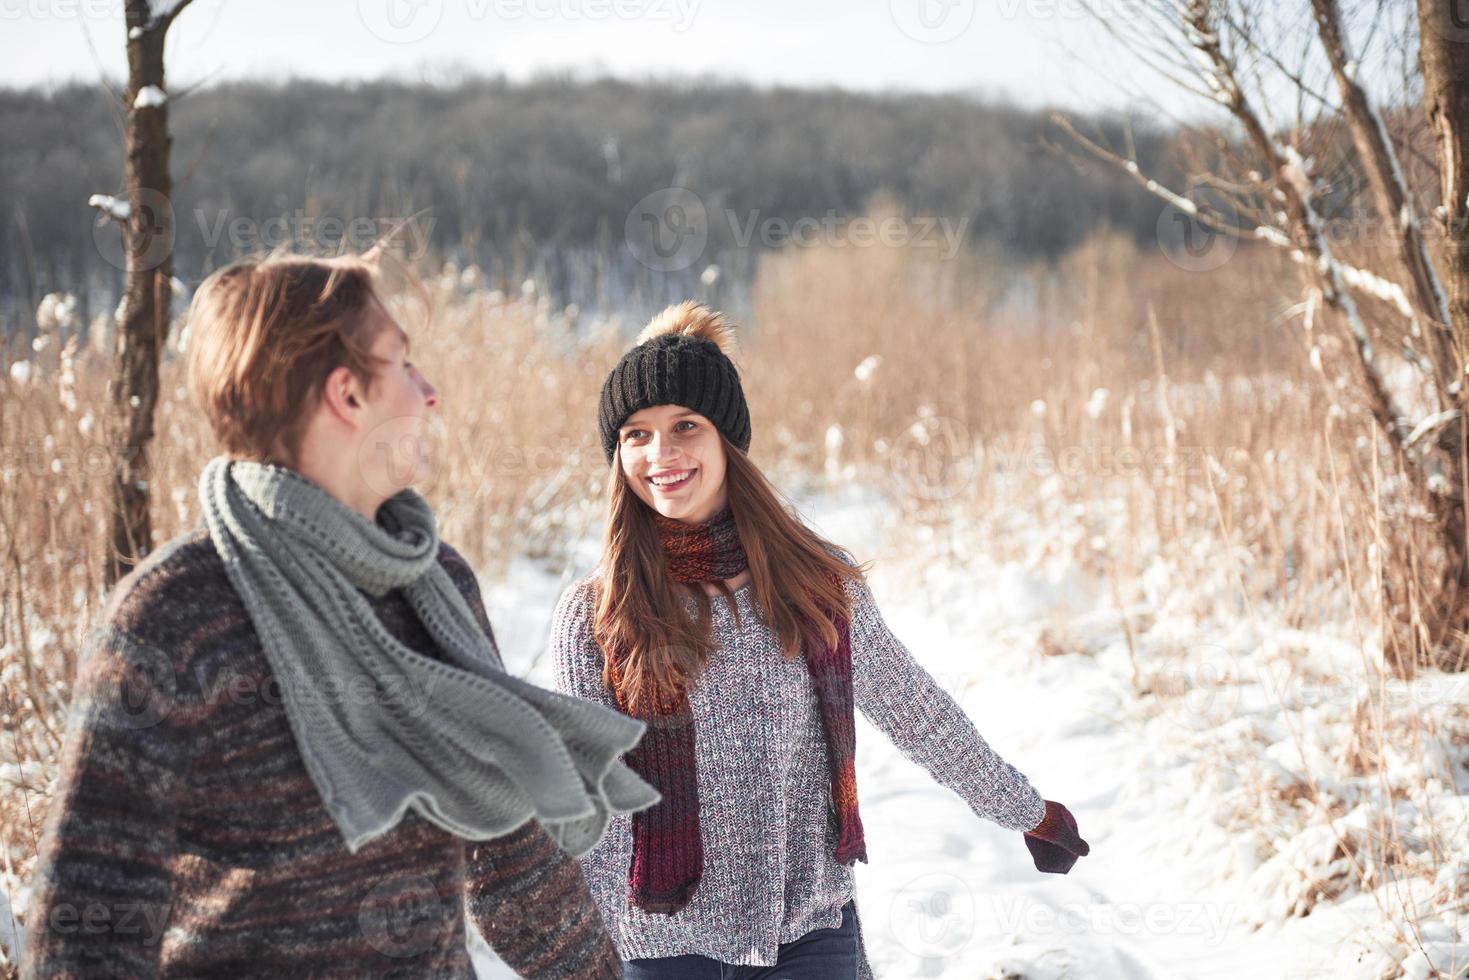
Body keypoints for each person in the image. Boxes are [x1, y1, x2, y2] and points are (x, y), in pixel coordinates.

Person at [23, 253, 659, 978]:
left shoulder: (435, 586)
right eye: (403, 365)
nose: (430, 393)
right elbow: (89, 926)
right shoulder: (177, 613)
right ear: (346, 395)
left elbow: (509, 858)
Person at [551, 302, 1090, 979]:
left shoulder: (813, 586)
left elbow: (915, 711)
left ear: (727, 442)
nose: (661, 455)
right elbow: (581, 797)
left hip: (806, 933)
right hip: (659, 945)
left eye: (685, 426)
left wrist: (1024, 810)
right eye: (636, 434)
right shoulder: (595, 615)